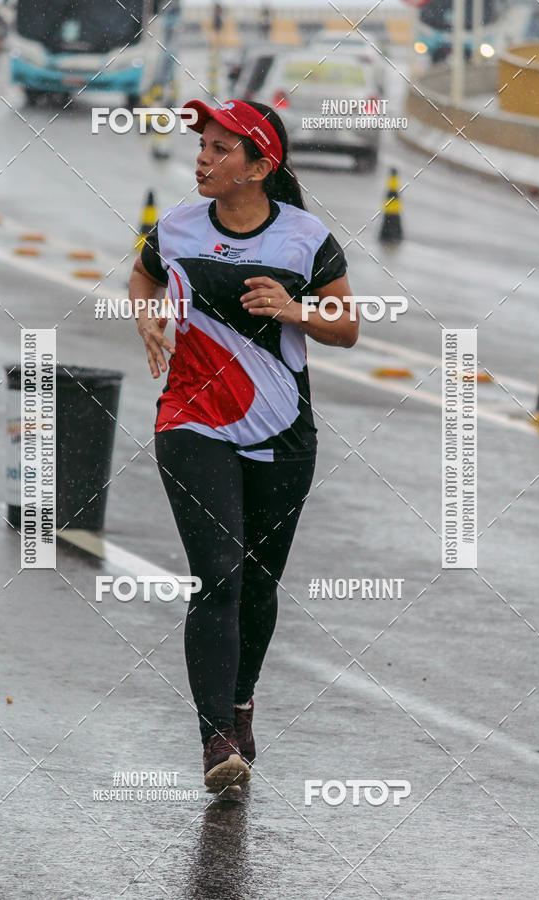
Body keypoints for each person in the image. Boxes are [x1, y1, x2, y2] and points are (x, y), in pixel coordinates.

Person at [128, 99, 358, 792]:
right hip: (191, 420)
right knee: (219, 574)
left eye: (220, 148)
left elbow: (346, 326)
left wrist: (294, 310)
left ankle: (241, 701)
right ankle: (217, 739)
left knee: (258, 582)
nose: (202, 157)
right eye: (202, 144)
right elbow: (142, 276)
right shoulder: (176, 227)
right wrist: (147, 316)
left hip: (283, 433)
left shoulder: (305, 238)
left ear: (260, 168)